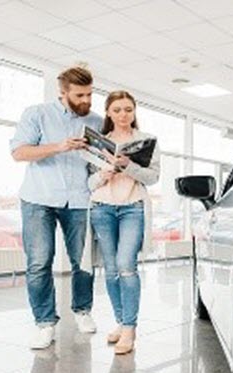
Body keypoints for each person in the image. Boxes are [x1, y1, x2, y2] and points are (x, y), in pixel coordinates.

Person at [10, 66, 103, 349]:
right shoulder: (36, 114)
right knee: (39, 262)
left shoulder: (97, 121)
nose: (86, 100)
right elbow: (19, 152)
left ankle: (82, 311)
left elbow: (99, 159)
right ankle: (44, 323)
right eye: (80, 95)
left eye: (89, 94)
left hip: (79, 198)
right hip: (39, 198)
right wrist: (60, 146)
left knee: (83, 261)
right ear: (62, 93)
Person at [87, 90, 159, 354]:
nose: (123, 115)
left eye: (128, 109)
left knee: (126, 265)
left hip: (132, 208)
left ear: (134, 111)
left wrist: (128, 165)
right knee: (111, 268)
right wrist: (102, 175)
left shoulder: (146, 141)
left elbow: (152, 178)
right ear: (108, 112)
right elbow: (89, 182)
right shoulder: (98, 141)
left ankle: (130, 328)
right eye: (117, 110)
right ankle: (120, 322)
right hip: (102, 207)